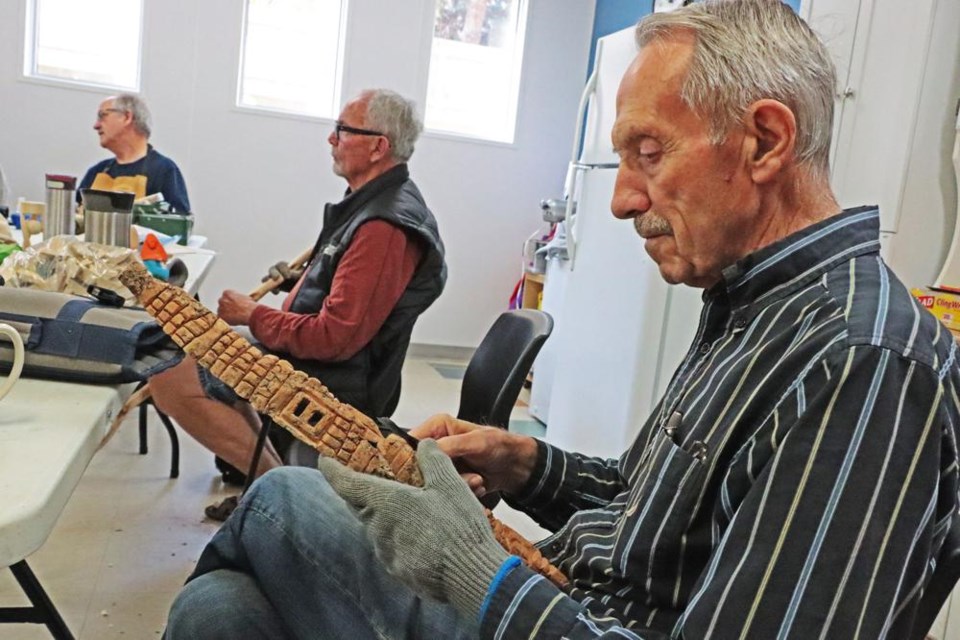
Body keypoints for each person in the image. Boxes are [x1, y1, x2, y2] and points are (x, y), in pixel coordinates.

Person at [164, 1, 960, 638]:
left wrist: (477, 572)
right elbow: (647, 507)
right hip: (575, 595)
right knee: (218, 613)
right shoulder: (752, 306)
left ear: (764, 141)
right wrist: (524, 464)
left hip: (570, 616)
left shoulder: (863, 362)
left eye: (649, 153)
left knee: (283, 502)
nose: (620, 199)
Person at [148, 88, 446, 518]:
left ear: (379, 147)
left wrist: (254, 315)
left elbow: (335, 338)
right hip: (319, 363)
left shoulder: (384, 226)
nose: (332, 138)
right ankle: (266, 486)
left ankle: (281, 501)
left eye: (344, 130)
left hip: (339, 380)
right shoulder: (367, 206)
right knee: (197, 354)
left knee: (169, 374)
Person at [78, 93, 191, 212]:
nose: (96, 126)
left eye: (103, 116)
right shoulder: (97, 171)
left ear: (127, 117)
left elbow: (178, 224)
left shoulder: (164, 170)